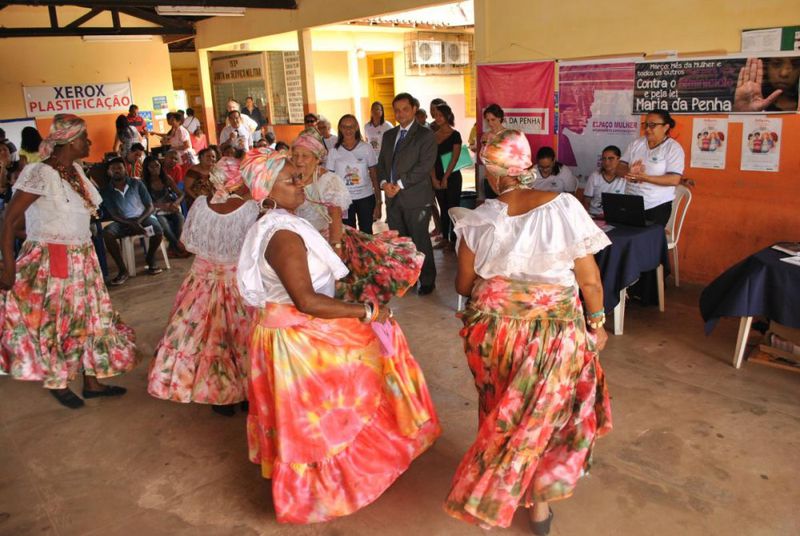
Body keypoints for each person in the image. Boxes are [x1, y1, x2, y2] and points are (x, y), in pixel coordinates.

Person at [235, 148, 440, 524]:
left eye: (299, 175)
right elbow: (307, 301)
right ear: (266, 191)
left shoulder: (280, 223)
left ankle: (324, 483)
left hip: (288, 330)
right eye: (291, 179)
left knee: (317, 412)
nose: (301, 182)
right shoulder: (281, 234)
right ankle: (318, 491)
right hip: (295, 337)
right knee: (325, 413)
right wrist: (367, 311)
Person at [444, 129, 612, 535]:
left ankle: (509, 486)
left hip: (492, 331)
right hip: (553, 334)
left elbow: (464, 286)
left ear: (495, 173)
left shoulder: (477, 218)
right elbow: (588, 281)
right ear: (528, 168)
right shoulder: (563, 206)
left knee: (502, 408)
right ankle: (538, 508)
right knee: (543, 417)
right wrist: (598, 322)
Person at [0, 114, 136, 409]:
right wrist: (9, 267)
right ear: (71, 141)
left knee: (90, 318)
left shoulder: (75, 170)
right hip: (55, 258)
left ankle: (91, 381)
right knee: (58, 322)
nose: (89, 142)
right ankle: (57, 379)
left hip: (82, 256)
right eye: (85, 138)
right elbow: (9, 220)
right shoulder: (40, 173)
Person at [148, 156, 259, 415]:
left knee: (205, 338)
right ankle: (245, 392)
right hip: (237, 282)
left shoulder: (199, 204)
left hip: (201, 282)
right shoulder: (251, 208)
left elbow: (187, 243)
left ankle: (217, 394)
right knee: (242, 338)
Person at [294, 127, 423, 304]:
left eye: (305, 156)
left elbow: (335, 215)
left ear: (317, 159)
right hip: (299, 243)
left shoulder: (328, 180)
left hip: (329, 239)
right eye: (296, 155)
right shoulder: (288, 179)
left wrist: (336, 249)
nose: (299, 160)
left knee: (343, 289)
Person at [377, 93, 438, 295]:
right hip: (392, 198)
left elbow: (424, 166)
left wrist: (400, 184)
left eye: (405, 109)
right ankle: (406, 280)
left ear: (414, 109)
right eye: (397, 110)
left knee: (419, 241)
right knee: (399, 243)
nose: (400, 113)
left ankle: (427, 280)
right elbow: (382, 164)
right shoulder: (388, 135)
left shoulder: (425, 135)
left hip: (415, 198)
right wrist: (385, 183)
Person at [101, 157, 165, 285]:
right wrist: (131, 223)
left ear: (125, 169)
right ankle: (122, 270)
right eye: (113, 169)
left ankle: (150, 258)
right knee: (107, 233)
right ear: (109, 172)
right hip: (122, 222)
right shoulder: (106, 191)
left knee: (158, 230)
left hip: (143, 217)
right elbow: (113, 215)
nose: (117, 171)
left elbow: (150, 206)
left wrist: (138, 221)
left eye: (119, 167)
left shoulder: (137, 183)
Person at [615, 109, 684, 225]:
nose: (647, 129)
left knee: (646, 241)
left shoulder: (673, 148)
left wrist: (645, 178)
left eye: (652, 125)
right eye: (645, 125)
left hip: (656, 206)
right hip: (631, 203)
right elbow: (619, 168)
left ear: (666, 127)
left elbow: (674, 179)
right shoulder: (636, 144)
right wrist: (629, 172)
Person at [327, 114, 380, 234]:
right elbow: (330, 180)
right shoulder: (334, 151)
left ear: (357, 127)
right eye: (344, 126)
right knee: (349, 234)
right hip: (344, 200)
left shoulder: (366, 148)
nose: (348, 130)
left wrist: (379, 202)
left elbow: (374, 176)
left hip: (365, 198)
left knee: (366, 233)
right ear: (340, 128)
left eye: (351, 126)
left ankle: (366, 253)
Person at [431, 103, 464, 249]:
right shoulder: (432, 136)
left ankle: (454, 240)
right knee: (443, 208)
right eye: (436, 115)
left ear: (447, 116)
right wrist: (434, 178)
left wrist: (445, 177)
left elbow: (455, 158)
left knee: (453, 209)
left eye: (440, 115)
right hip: (437, 178)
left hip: (452, 177)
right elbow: (430, 159)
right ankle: (444, 238)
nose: (437, 118)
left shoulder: (455, 135)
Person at [142, 156, 188, 258]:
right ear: (147, 169)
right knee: (164, 225)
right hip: (156, 211)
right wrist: (163, 206)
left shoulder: (166, 178)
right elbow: (145, 203)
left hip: (170, 209)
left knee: (180, 219)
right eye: (151, 167)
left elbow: (181, 194)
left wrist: (175, 203)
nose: (155, 168)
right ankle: (178, 246)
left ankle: (172, 248)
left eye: (157, 165)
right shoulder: (144, 183)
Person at [733, 57, 800, 113]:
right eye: (776, 64)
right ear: (766, 67)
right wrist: (742, 114)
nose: (784, 73)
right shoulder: (751, 98)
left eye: (795, 64)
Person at [583, 145, 625, 217]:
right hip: (595, 215)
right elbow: (587, 200)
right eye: (604, 159)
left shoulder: (624, 178)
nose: (606, 162)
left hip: (616, 217)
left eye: (611, 158)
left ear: (619, 159)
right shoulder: (595, 176)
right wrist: (588, 216)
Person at [478, 103, 507, 200]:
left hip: (505, 179)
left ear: (500, 118)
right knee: (491, 210)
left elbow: (511, 158)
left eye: (493, 119)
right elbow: (482, 157)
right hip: (489, 178)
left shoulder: (509, 135)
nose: (490, 123)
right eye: (488, 120)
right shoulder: (485, 136)